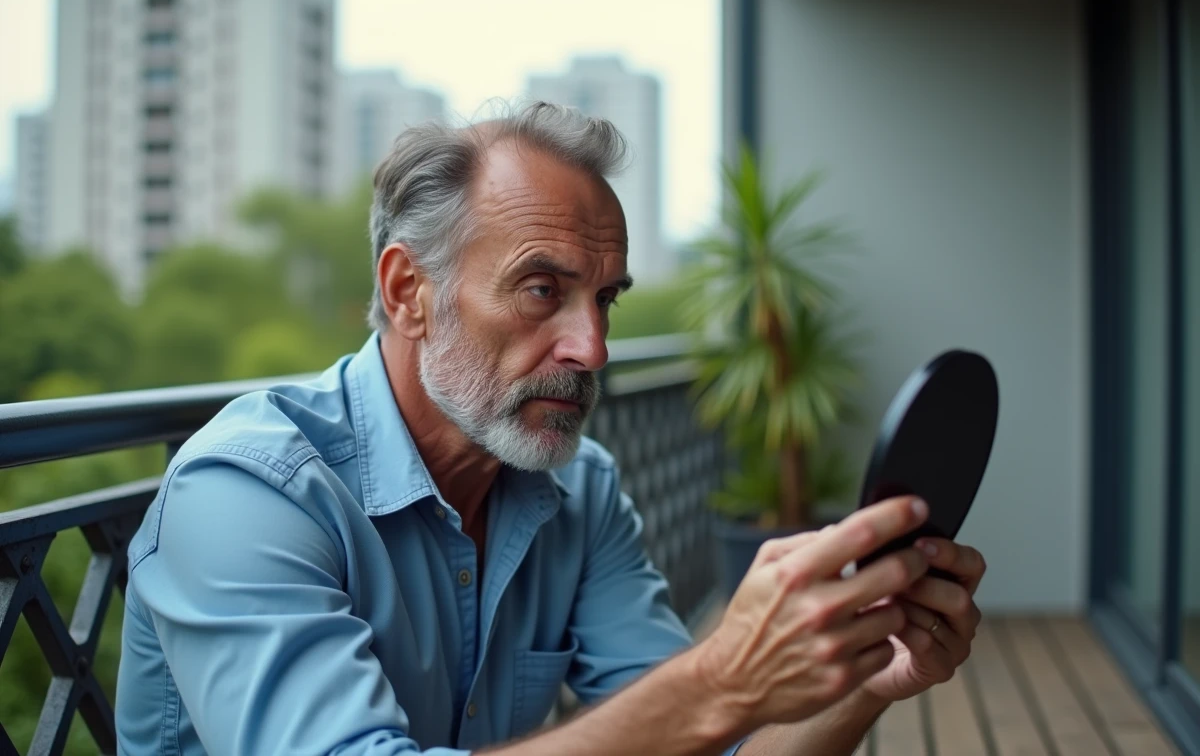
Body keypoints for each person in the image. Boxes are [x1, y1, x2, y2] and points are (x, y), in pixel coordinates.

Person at [115, 102, 986, 755]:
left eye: (604, 298)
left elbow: (705, 738)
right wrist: (720, 678)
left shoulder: (579, 488)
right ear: (407, 292)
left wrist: (865, 685)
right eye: (543, 289)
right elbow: (701, 703)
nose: (594, 346)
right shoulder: (246, 493)